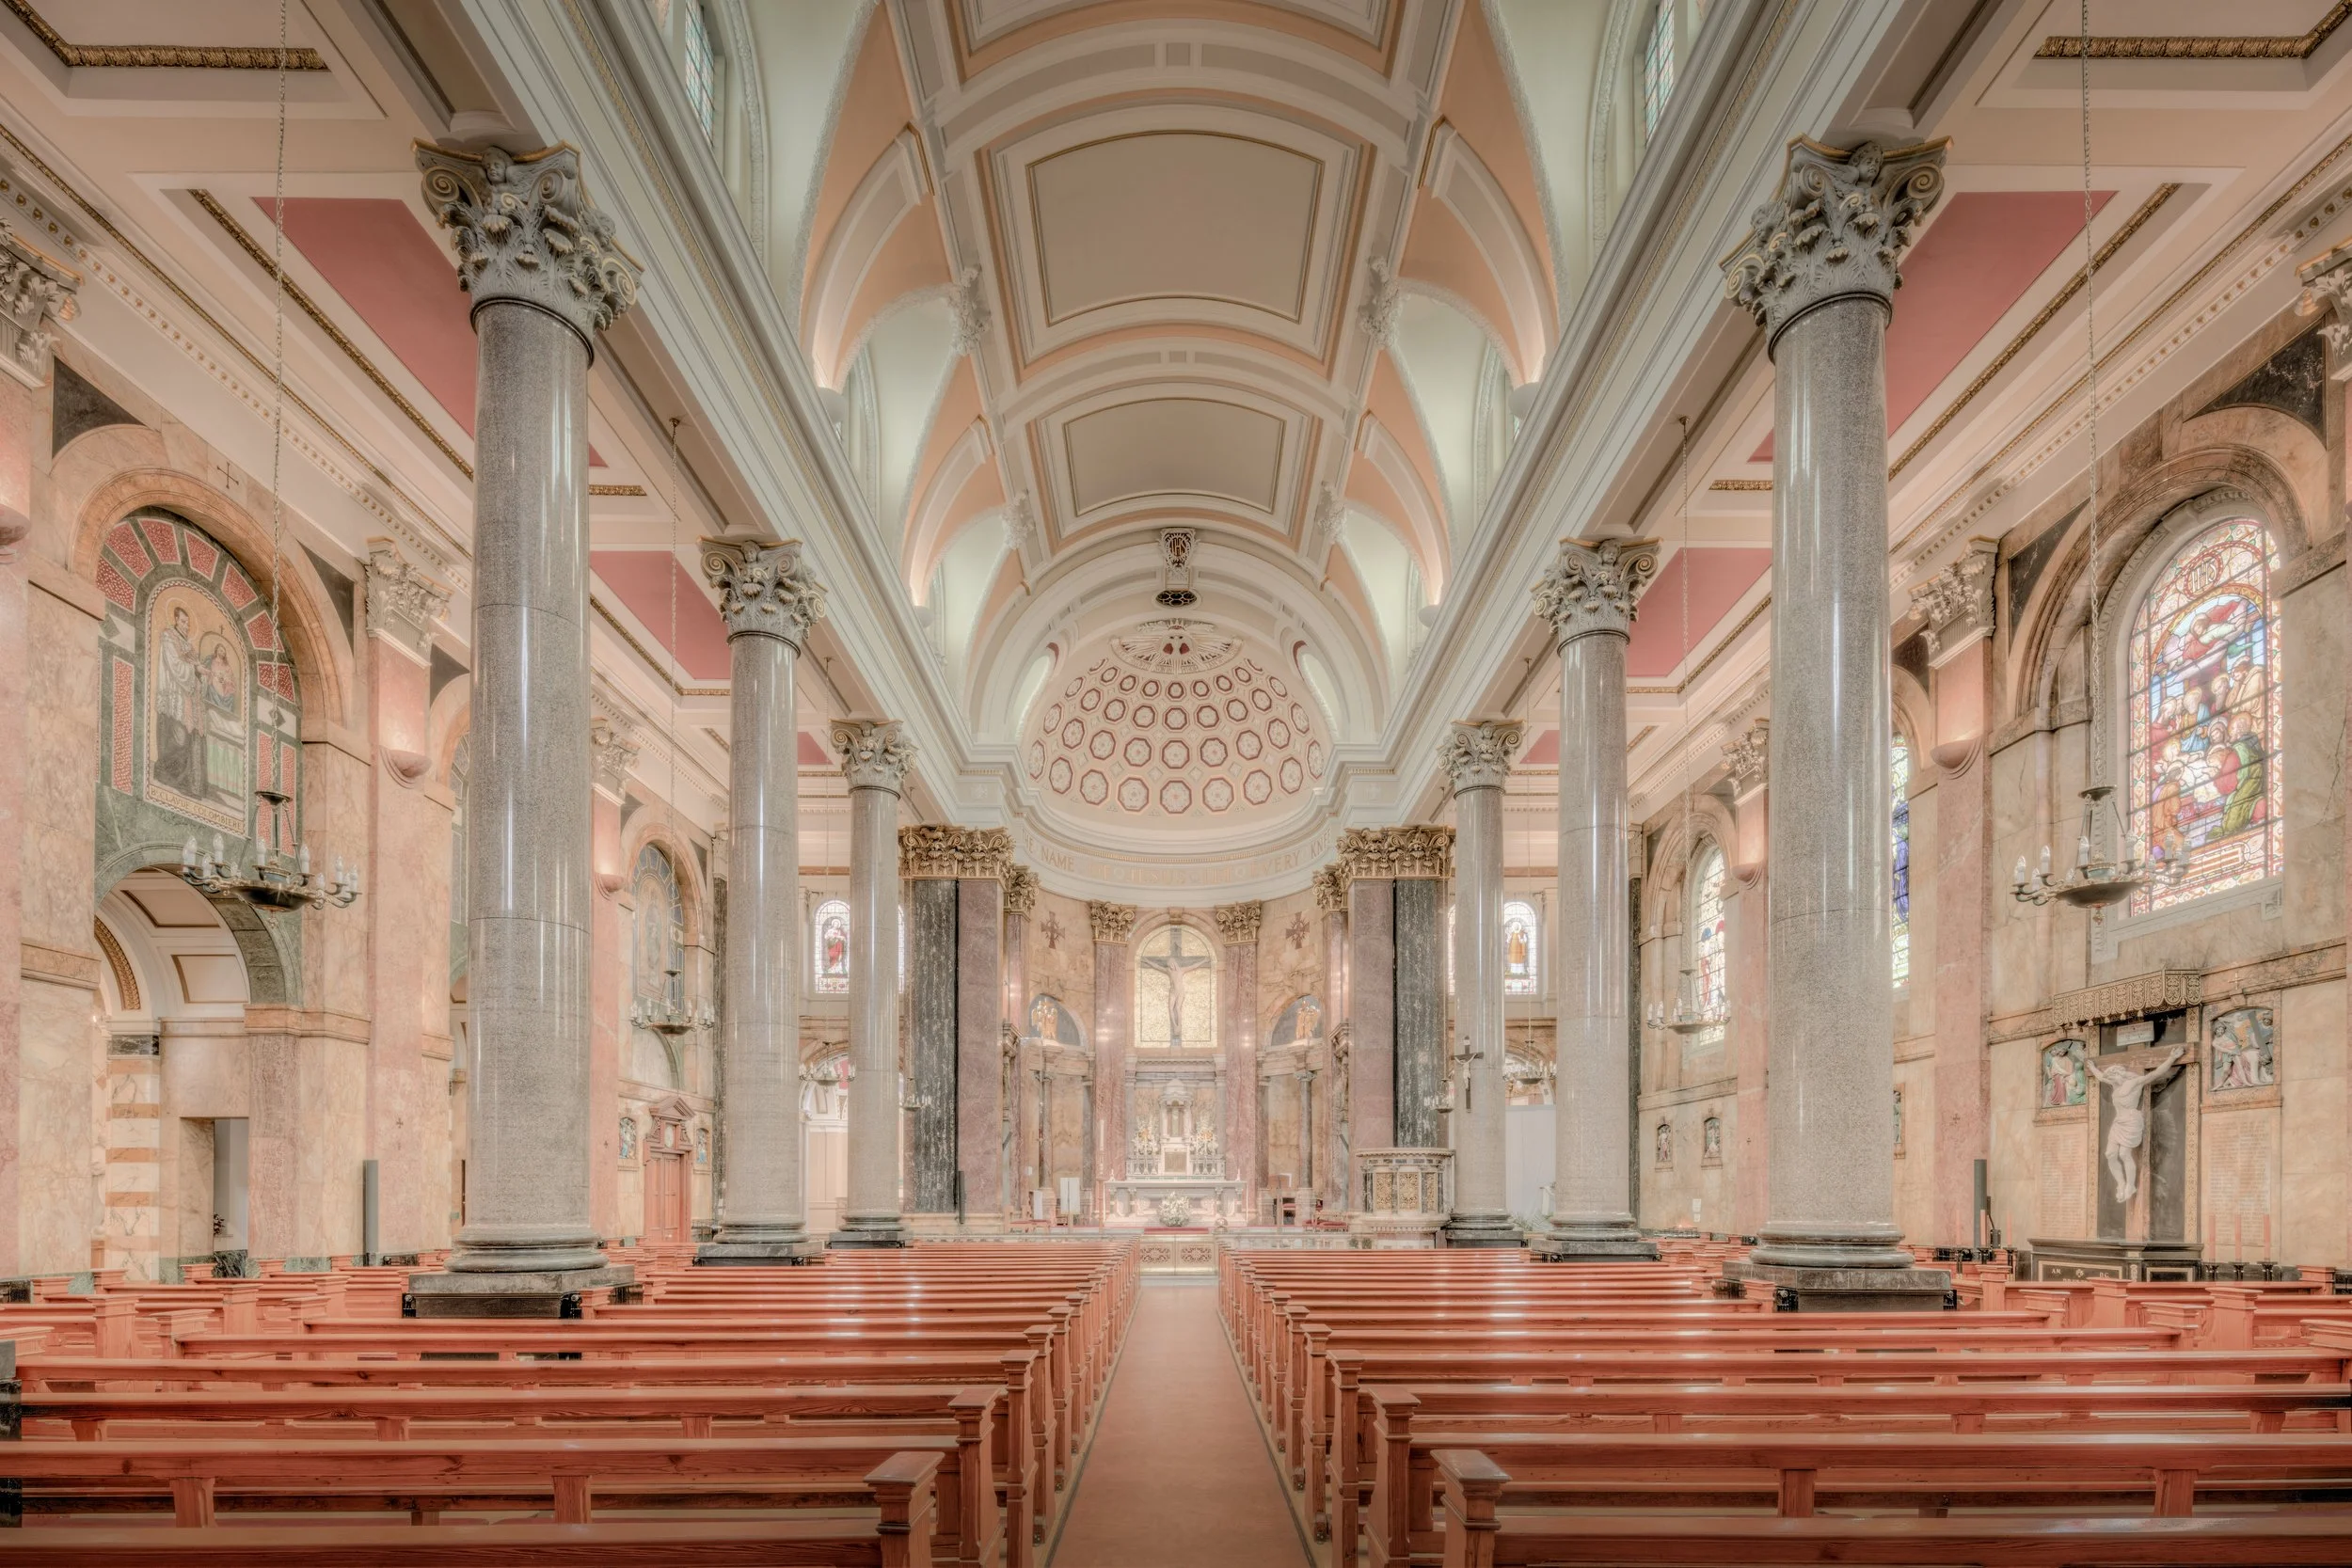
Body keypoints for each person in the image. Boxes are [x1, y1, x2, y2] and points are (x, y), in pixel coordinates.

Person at [2085, 1044, 2185, 1203]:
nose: (2109, 1080)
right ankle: (2121, 1183)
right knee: (2110, 1154)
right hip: (2118, 1122)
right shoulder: (2115, 1084)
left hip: (2131, 1121)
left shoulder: (2136, 1082)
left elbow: (2157, 1072)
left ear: (2119, 1074)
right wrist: (2092, 1067)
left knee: (2124, 1154)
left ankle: (2130, 1186)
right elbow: (2102, 1077)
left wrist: (2172, 1058)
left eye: (2112, 1077)